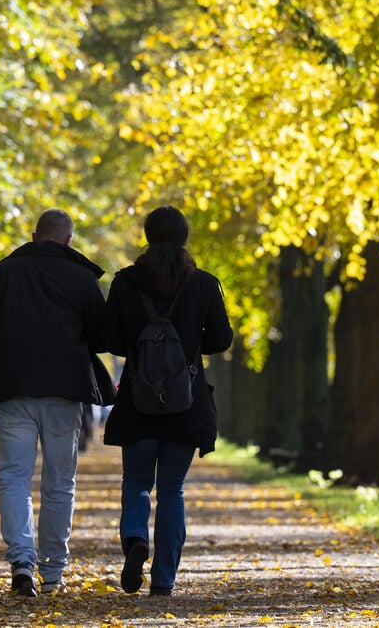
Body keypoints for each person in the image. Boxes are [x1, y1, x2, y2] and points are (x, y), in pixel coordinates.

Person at [0, 209, 109, 598]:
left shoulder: (3, 275)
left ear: (34, 235)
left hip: (12, 389)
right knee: (60, 482)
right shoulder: (82, 277)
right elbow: (103, 337)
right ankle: (53, 569)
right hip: (64, 391)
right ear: (68, 240)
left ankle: (22, 558)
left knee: (13, 476)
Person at [102, 206, 233, 597]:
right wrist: (189, 348)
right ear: (184, 237)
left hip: (138, 402)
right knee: (172, 489)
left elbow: (108, 338)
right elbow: (222, 340)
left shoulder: (125, 282)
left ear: (147, 236)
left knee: (137, 480)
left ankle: (135, 538)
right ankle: (163, 580)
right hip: (185, 401)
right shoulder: (204, 284)